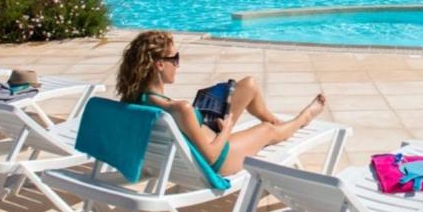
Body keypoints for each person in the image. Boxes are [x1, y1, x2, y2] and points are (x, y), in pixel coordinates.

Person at [116, 30, 326, 176]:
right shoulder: (180, 108)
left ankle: (275, 120)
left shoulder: (135, 100)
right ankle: (302, 119)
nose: (178, 65)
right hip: (221, 158)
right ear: (160, 64)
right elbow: (211, 156)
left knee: (249, 85)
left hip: (201, 138)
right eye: (175, 58)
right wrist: (226, 129)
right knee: (267, 130)